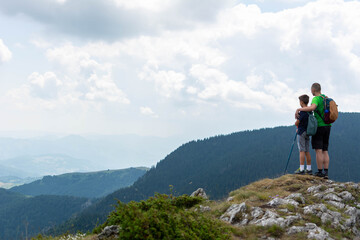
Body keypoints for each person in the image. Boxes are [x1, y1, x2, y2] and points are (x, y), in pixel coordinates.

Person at [295, 83, 331, 179]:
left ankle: (320, 171)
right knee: (325, 150)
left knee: (318, 150)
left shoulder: (316, 98)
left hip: (319, 126)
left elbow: (312, 108)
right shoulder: (325, 97)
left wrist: (299, 109)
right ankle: (326, 172)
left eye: (311, 90)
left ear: (313, 90)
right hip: (328, 126)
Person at [294, 94, 312, 175]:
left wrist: (296, 122)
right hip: (308, 132)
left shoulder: (302, 112)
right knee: (307, 151)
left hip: (301, 132)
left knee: (301, 150)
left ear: (301, 102)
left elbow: (297, 122)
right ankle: (309, 169)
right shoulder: (309, 111)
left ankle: (301, 169)